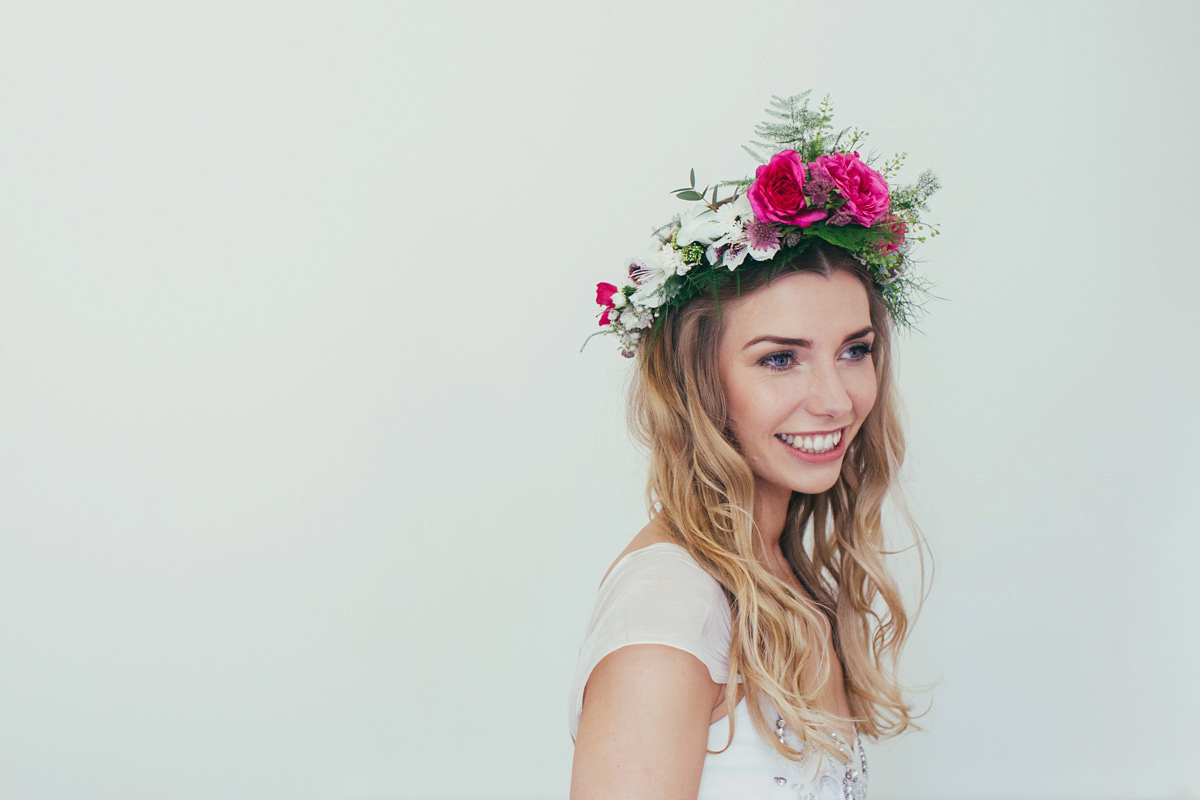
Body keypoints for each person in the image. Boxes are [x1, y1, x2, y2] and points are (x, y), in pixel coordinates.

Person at [568, 94, 939, 799]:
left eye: (855, 350)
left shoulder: (777, 574)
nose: (836, 398)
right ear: (699, 379)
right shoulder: (669, 610)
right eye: (780, 359)